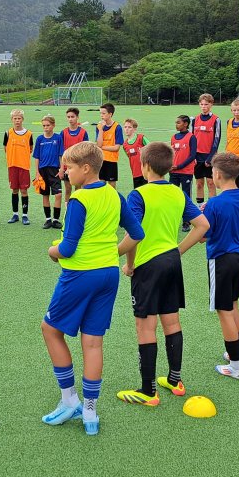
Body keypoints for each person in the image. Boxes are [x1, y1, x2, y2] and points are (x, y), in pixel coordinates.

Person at [41, 142, 144, 436]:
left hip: (79, 275)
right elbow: (137, 234)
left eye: (69, 167)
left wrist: (52, 250)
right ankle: (90, 411)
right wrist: (113, 254)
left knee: (50, 330)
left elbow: (68, 248)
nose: (65, 172)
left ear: (86, 168)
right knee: (93, 342)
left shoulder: (77, 201)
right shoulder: (114, 194)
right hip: (108, 274)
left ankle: (69, 399)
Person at [117, 142, 208, 404]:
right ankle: (175, 380)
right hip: (170, 262)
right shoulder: (178, 193)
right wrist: (177, 251)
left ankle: (147, 392)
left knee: (145, 326)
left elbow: (134, 235)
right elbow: (202, 225)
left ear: (145, 166)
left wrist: (124, 260)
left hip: (149, 265)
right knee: (172, 321)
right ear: (169, 167)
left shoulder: (138, 194)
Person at [202, 153, 239, 380]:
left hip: (221, 259)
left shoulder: (214, 203)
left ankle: (235, 366)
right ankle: (235, 355)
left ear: (216, 175)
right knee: (233, 304)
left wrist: (204, 214)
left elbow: (204, 236)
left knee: (224, 309)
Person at [33, 115, 64, 229]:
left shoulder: (58, 138)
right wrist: (37, 172)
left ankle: (56, 220)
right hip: (42, 171)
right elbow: (37, 157)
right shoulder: (40, 139)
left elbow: (61, 155)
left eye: (48, 125)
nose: (46, 128)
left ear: (53, 125)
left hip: (55, 170)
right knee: (45, 195)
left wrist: (61, 169)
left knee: (58, 194)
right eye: (44, 126)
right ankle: (48, 220)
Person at [3, 109, 34, 224]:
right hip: (12, 165)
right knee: (14, 190)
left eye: (19, 118)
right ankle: (15, 214)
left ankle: (25, 215)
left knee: (24, 190)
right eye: (15, 118)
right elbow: (5, 147)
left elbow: (30, 148)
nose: (17, 120)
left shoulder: (29, 134)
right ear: (12, 119)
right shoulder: (8, 133)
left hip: (24, 166)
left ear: (23, 119)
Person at [169, 115, 198, 232]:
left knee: (186, 197)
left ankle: (187, 222)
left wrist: (179, 166)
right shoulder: (173, 137)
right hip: (173, 172)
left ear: (185, 124)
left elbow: (192, 156)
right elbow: (171, 153)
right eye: (176, 122)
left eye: (178, 122)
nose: (176, 124)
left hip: (186, 172)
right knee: (173, 197)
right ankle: (174, 219)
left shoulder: (191, 137)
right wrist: (170, 165)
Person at [192, 93, 222, 205]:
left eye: (206, 104)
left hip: (210, 156)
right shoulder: (195, 120)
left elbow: (217, 139)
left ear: (211, 104)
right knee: (199, 184)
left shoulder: (216, 120)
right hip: (197, 156)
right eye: (202, 104)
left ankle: (211, 208)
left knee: (210, 183)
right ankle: (200, 208)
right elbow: (192, 139)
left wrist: (210, 157)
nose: (204, 106)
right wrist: (193, 156)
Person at [61, 107, 89, 202]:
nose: (70, 119)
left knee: (78, 190)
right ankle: (68, 211)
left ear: (77, 117)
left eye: (72, 116)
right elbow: (60, 152)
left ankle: (78, 209)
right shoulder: (63, 132)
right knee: (68, 190)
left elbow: (86, 150)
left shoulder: (83, 133)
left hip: (78, 166)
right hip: (67, 166)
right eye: (68, 117)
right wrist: (61, 167)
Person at [95, 103, 123, 188]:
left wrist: (102, 147)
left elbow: (116, 148)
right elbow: (98, 144)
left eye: (103, 113)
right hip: (100, 159)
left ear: (110, 114)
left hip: (111, 160)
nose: (101, 115)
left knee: (112, 186)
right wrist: (101, 130)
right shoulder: (99, 127)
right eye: (100, 113)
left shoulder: (117, 127)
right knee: (101, 185)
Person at [121, 118, 148, 189]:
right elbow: (130, 158)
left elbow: (152, 149)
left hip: (146, 173)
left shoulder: (141, 138)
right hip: (135, 174)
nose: (127, 129)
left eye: (129, 127)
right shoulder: (125, 145)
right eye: (125, 127)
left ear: (135, 129)